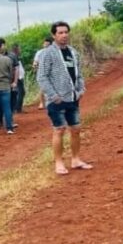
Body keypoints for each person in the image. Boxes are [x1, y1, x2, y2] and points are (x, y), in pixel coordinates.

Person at [37, 21, 93, 175]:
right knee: (59, 130)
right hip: (56, 100)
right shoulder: (47, 53)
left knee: (76, 129)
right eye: (60, 33)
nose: (64, 35)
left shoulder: (73, 52)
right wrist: (53, 96)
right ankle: (59, 163)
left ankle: (75, 159)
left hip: (73, 98)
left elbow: (79, 73)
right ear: (54, 35)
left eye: (66, 32)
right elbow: (42, 77)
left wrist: (81, 89)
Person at [32, 36, 53, 110]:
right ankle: (41, 103)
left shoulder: (53, 52)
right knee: (42, 88)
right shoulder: (39, 52)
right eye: (45, 44)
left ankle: (51, 102)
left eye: (47, 44)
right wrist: (35, 65)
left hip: (52, 72)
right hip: (42, 72)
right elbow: (35, 62)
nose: (45, 45)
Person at [9, 44, 26, 114]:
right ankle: (17, 108)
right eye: (19, 49)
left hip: (18, 77)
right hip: (17, 78)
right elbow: (16, 68)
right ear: (16, 49)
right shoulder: (14, 57)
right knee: (20, 92)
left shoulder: (15, 57)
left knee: (21, 92)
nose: (20, 50)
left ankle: (17, 108)